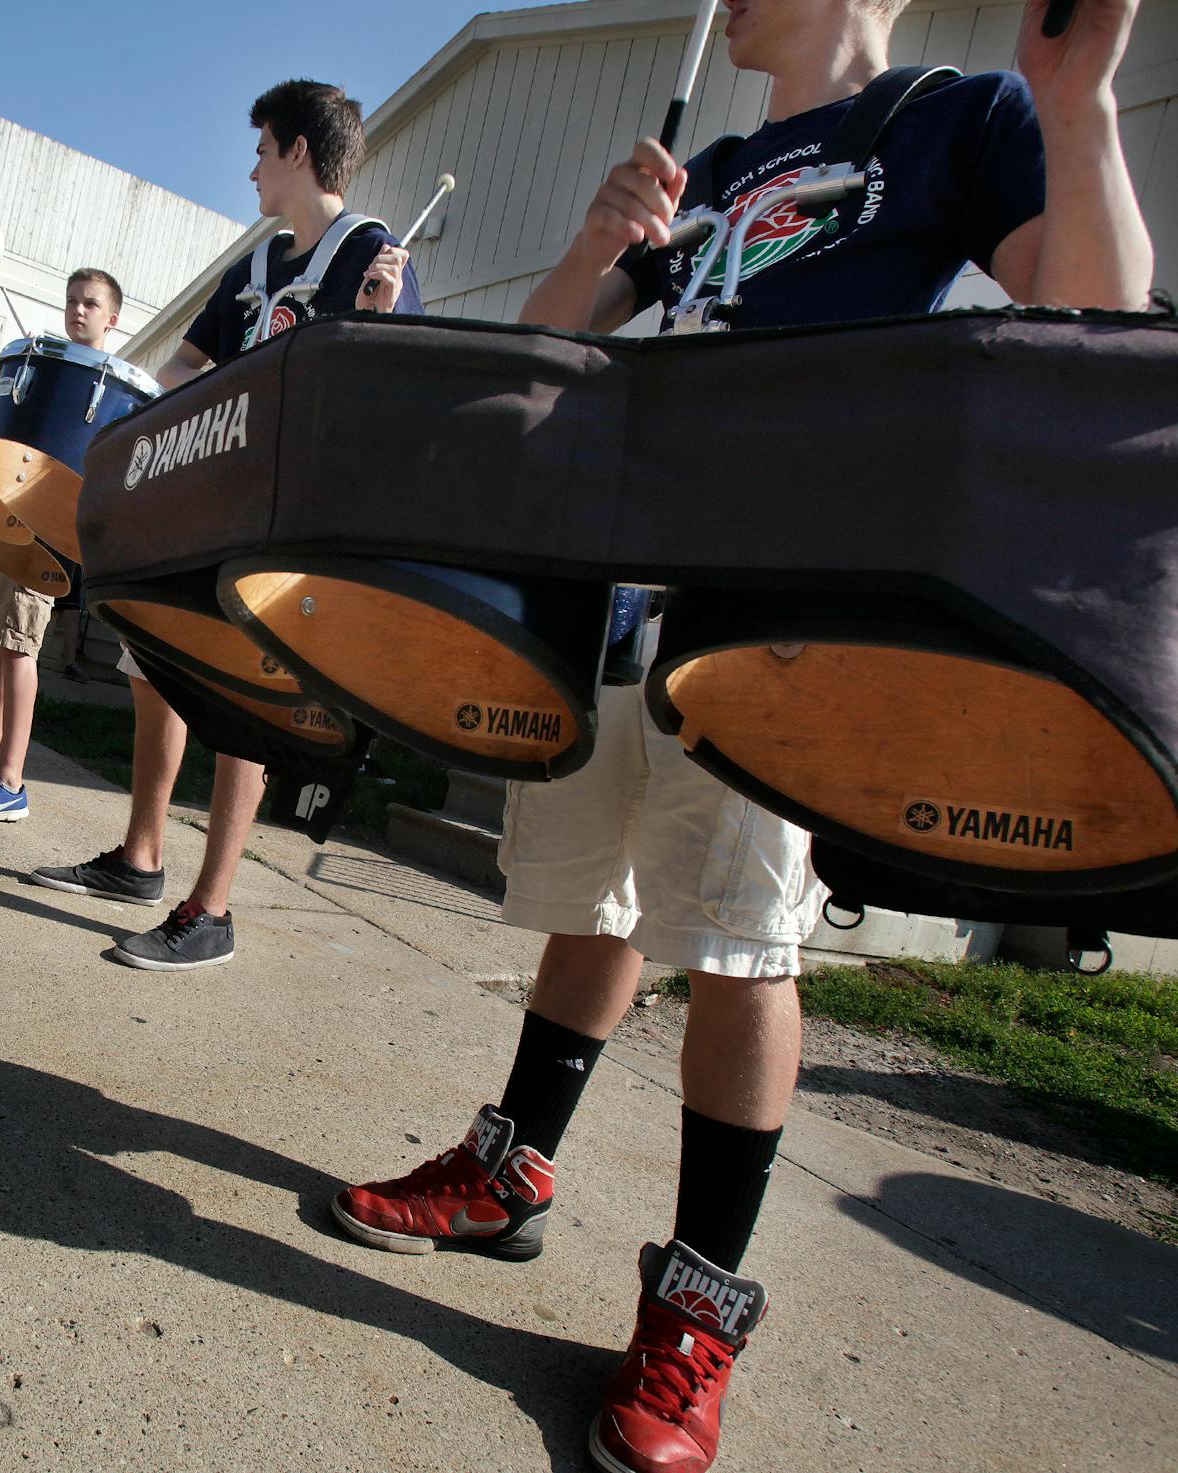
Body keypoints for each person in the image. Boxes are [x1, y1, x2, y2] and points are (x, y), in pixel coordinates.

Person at [330, 6, 1151, 1473]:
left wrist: (1077, 105)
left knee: (740, 943)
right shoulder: (708, 161)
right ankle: (509, 1170)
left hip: (790, 617)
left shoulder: (951, 119)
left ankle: (698, 1304)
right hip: (637, 589)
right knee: (596, 909)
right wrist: (595, 245)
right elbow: (548, 354)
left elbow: (1090, 312)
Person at [30, 79, 420, 965]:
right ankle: (141, 859)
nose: (249, 168)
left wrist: (380, 324)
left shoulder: (375, 257)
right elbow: (183, 364)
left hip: (289, 522)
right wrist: (129, 416)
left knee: (242, 695)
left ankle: (211, 910)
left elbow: (396, 395)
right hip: (210, 504)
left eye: (260, 149)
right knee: (156, 669)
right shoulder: (253, 266)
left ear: (297, 152)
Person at [0, 269, 137, 824]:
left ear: (113, 318)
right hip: (7, 518)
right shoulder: (53, 368)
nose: (78, 311)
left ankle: (11, 781)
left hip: (47, 534)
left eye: (91, 304)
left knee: (18, 649)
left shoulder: (112, 389)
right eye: (72, 301)